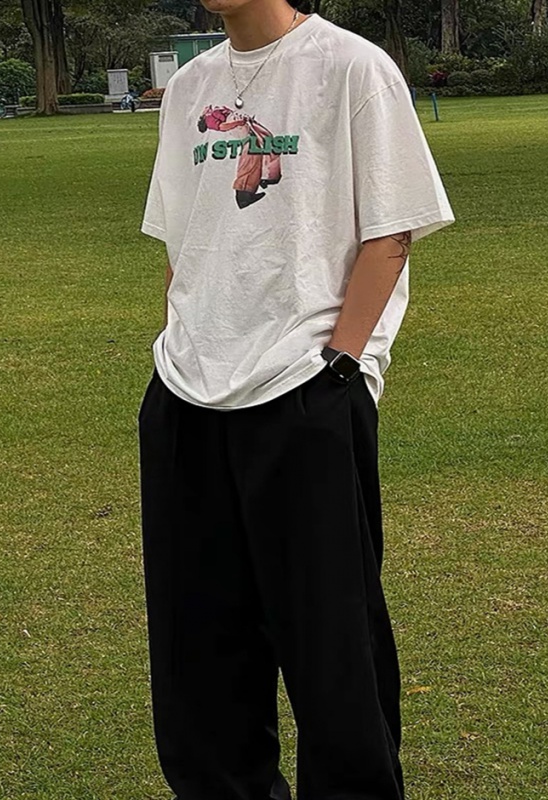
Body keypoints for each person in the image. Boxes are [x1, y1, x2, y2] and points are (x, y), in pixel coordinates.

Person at [137, 1, 455, 798]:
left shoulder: (351, 67)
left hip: (305, 392)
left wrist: (340, 366)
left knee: (332, 649)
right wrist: (181, 339)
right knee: (196, 659)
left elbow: (391, 232)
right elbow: (183, 239)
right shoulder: (190, 87)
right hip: (186, 395)